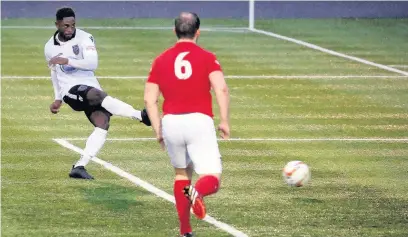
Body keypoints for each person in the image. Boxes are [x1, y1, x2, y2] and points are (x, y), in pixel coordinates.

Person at [144, 12, 230, 237]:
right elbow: (220, 88)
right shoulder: (207, 57)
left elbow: (149, 99)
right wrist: (224, 120)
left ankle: (185, 231)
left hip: (171, 122)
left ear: (175, 31)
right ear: (198, 32)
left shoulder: (161, 59)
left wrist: (158, 130)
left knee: (181, 174)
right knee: (212, 177)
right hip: (199, 121)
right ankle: (198, 193)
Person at [44, 7, 151, 180]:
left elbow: (92, 63)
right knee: (97, 96)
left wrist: (67, 60)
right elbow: (54, 72)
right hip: (70, 91)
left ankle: (80, 166)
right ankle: (140, 116)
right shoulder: (49, 47)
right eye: (66, 26)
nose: (70, 29)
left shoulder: (85, 38)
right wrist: (58, 98)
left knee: (103, 122)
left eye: (73, 25)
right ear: (57, 24)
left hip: (90, 86)